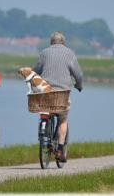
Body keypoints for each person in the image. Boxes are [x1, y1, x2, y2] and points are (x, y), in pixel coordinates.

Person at [34, 31, 83, 162]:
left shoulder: (44, 53)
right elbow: (78, 75)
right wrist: (79, 85)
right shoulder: (69, 53)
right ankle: (60, 150)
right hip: (62, 95)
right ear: (63, 42)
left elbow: (35, 72)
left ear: (51, 41)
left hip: (45, 93)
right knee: (62, 120)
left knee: (45, 112)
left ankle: (44, 135)